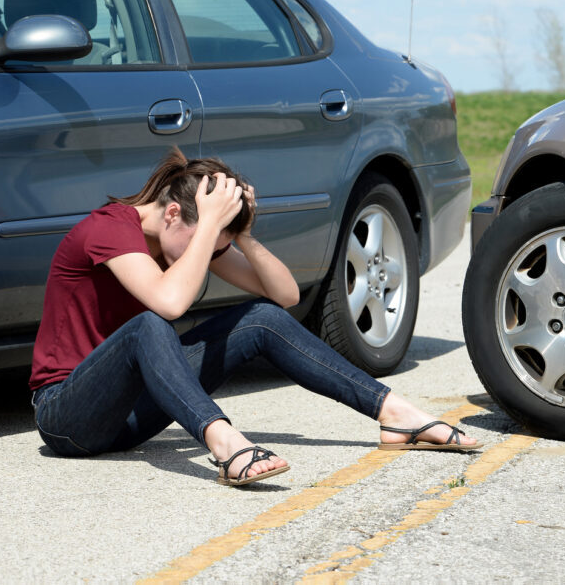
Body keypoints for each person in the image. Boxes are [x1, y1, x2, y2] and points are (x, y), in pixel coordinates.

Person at [30, 149, 481, 486]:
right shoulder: (109, 229)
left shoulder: (185, 236)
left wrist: (240, 236)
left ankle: (394, 413)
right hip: (68, 417)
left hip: (131, 416)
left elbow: (282, 295)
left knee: (259, 317)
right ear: (172, 213)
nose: (206, 253)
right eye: (203, 237)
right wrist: (207, 228)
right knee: (150, 326)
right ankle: (224, 442)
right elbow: (167, 304)